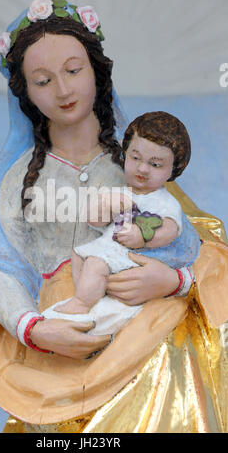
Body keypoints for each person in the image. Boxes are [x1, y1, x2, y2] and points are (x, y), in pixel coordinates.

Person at [0, 0, 228, 433]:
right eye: (43, 80)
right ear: (25, 92)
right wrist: (32, 327)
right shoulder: (17, 181)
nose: (64, 90)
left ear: (97, 71)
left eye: (74, 71)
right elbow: (2, 268)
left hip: (143, 331)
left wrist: (175, 280)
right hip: (61, 337)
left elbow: (194, 239)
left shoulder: (139, 165)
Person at [46, 112, 201, 336]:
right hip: (112, 247)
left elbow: (170, 229)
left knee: (96, 264)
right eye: (135, 158)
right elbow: (95, 220)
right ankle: (90, 296)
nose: (143, 169)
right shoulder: (119, 191)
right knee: (79, 255)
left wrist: (143, 237)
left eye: (155, 164)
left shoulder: (165, 202)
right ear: (125, 153)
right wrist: (105, 205)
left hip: (133, 256)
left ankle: (81, 303)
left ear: (173, 170)